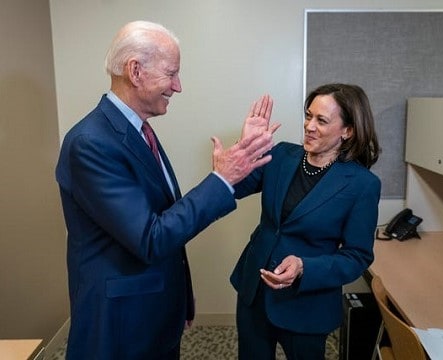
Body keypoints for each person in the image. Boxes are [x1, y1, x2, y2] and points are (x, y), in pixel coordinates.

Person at [55, 20, 278, 360]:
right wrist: (221, 179)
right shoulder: (91, 143)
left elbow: (160, 216)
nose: (178, 86)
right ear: (136, 71)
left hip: (153, 311)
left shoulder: (136, 129)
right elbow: (152, 237)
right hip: (120, 325)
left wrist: (179, 298)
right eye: (172, 73)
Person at [230, 83, 382, 360]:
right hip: (255, 292)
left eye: (321, 120)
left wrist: (304, 267)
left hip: (307, 304)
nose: (309, 126)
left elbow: (357, 256)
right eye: (308, 115)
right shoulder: (280, 156)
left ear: (348, 131)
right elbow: (234, 189)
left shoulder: (362, 184)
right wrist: (246, 148)